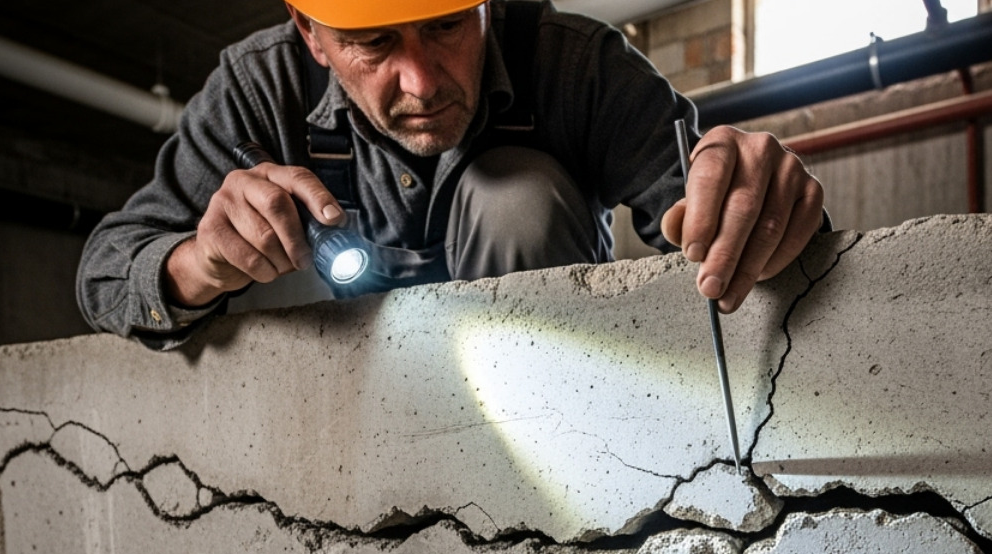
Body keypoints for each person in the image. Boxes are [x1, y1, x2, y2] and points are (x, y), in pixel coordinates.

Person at [76, 0, 825, 348]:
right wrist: (201, 263)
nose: (424, 81)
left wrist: (758, 208)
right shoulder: (256, 91)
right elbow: (105, 276)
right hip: (334, 429)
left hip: (559, 414)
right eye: (373, 43)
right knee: (267, 249)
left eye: (446, 26)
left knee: (516, 198)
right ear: (310, 35)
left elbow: (721, 217)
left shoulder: (577, 66)